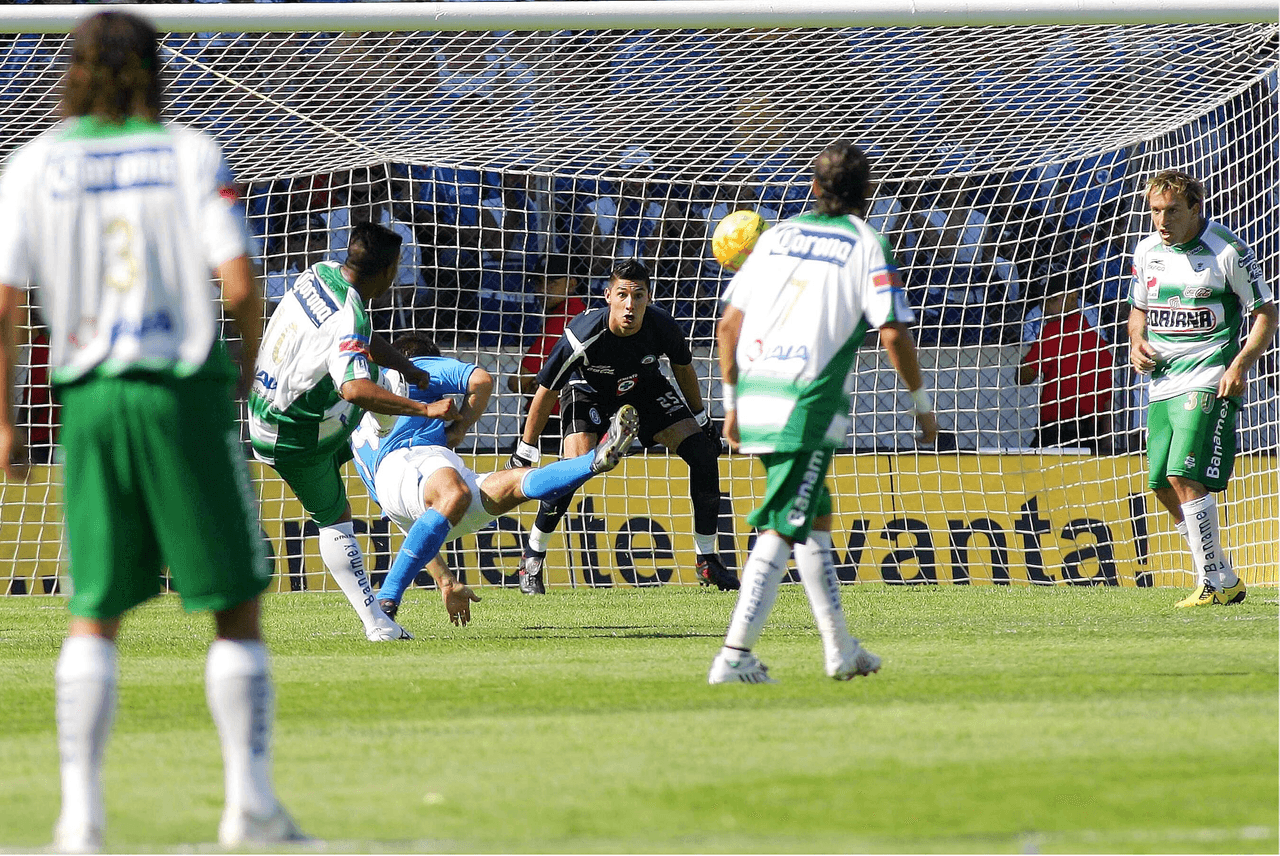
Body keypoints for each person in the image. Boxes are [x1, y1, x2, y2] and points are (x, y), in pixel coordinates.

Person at [0, 11, 308, 850]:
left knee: (94, 611)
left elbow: (6, 305)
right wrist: (242, 368)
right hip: (181, 393)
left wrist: (6, 418)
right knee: (234, 605)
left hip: (91, 399)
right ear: (153, 68)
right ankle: (249, 807)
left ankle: (80, 820)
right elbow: (241, 284)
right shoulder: (189, 152)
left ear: (73, 72)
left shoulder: (33, 164)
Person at [710, 139, 939, 684]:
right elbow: (892, 332)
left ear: (812, 187)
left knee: (813, 519)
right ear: (869, 193)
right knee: (783, 525)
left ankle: (840, 648)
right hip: (805, 401)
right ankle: (734, 655)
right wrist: (921, 404)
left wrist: (731, 404)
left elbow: (728, 326)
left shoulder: (777, 236)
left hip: (758, 392)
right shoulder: (867, 242)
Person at [248, 221, 459, 641]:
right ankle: (376, 623)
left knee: (385, 382)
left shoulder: (320, 272)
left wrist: (407, 367)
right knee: (335, 517)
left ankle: (378, 451)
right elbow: (354, 387)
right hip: (293, 432)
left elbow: (360, 339)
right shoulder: (351, 315)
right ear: (387, 272)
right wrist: (426, 407)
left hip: (269, 402)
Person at [351, 333, 641, 620]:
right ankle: (387, 600)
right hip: (411, 457)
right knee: (459, 493)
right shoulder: (411, 367)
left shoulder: (356, 424)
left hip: (401, 494)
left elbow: (415, 527)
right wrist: (460, 428)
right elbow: (481, 380)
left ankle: (595, 459)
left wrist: (446, 581)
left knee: (515, 483)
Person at [509, 258, 739, 595]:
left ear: (649, 297)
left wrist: (702, 418)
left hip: (645, 389)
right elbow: (546, 389)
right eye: (623, 295)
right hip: (588, 393)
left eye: (638, 295)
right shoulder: (581, 334)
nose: (630, 304)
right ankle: (531, 560)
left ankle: (707, 560)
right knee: (574, 470)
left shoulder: (662, 325)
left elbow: (683, 368)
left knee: (704, 454)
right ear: (608, 296)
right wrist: (526, 448)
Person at [1127, 169, 1276, 608]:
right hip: (1162, 381)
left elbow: (1266, 313)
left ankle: (1213, 582)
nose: (1161, 220)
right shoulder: (1146, 251)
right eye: (1155, 211)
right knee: (1160, 483)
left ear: (1195, 208)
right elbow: (1138, 310)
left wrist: (1240, 366)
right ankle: (1220, 577)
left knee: (1183, 474)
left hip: (1211, 375)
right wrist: (1136, 342)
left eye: (1172, 211)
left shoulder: (1226, 250)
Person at [1018, 280, 1115, 454]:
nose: (1043, 308)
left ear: (1071, 299)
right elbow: (1107, 399)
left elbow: (1023, 377)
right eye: (1042, 302)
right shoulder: (1097, 342)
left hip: (1057, 431)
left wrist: (1025, 360)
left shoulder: (1053, 333)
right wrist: (1107, 437)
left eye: (1049, 301)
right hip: (1091, 432)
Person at [507, 254, 588, 450]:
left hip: (553, 418)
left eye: (552, 282)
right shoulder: (578, 312)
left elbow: (518, 381)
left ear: (571, 284)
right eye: (538, 282)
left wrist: (538, 382)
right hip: (570, 416)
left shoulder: (565, 318)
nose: (543, 289)